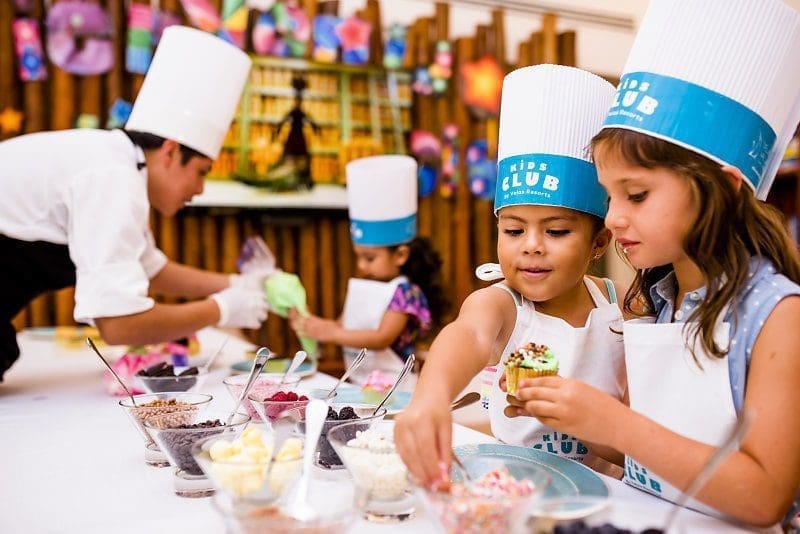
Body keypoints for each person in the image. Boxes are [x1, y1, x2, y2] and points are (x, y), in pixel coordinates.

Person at [511, 0, 800, 526]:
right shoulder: (659, 301)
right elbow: (664, 465)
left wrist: (617, 423)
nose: (614, 218)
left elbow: (764, 497)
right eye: (609, 196)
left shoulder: (778, 314)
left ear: (725, 188)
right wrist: (573, 420)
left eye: (637, 195)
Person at [394, 64, 627, 484]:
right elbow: (467, 335)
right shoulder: (502, 304)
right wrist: (430, 398)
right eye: (514, 230)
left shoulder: (618, 303)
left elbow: (629, 439)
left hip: (603, 492)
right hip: (513, 486)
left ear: (599, 242)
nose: (531, 245)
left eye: (555, 231)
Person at [0, 27, 271, 381]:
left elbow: (150, 268)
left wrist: (237, 283)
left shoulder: (120, 163)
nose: (200, 189)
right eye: (202, 172)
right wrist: (221, 309)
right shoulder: (113, 178)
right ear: (171, 152)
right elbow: (118, 325)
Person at [290, 155, 446, 384]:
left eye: (370, 258)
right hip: (359, 384)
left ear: (400, 255)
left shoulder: (406, 292)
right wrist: (310, 324)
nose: (362, 265)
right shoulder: (364, 288)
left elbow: (381, 338)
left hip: (396, 389)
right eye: (359, 256)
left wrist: (331, 334)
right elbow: (341, 326)